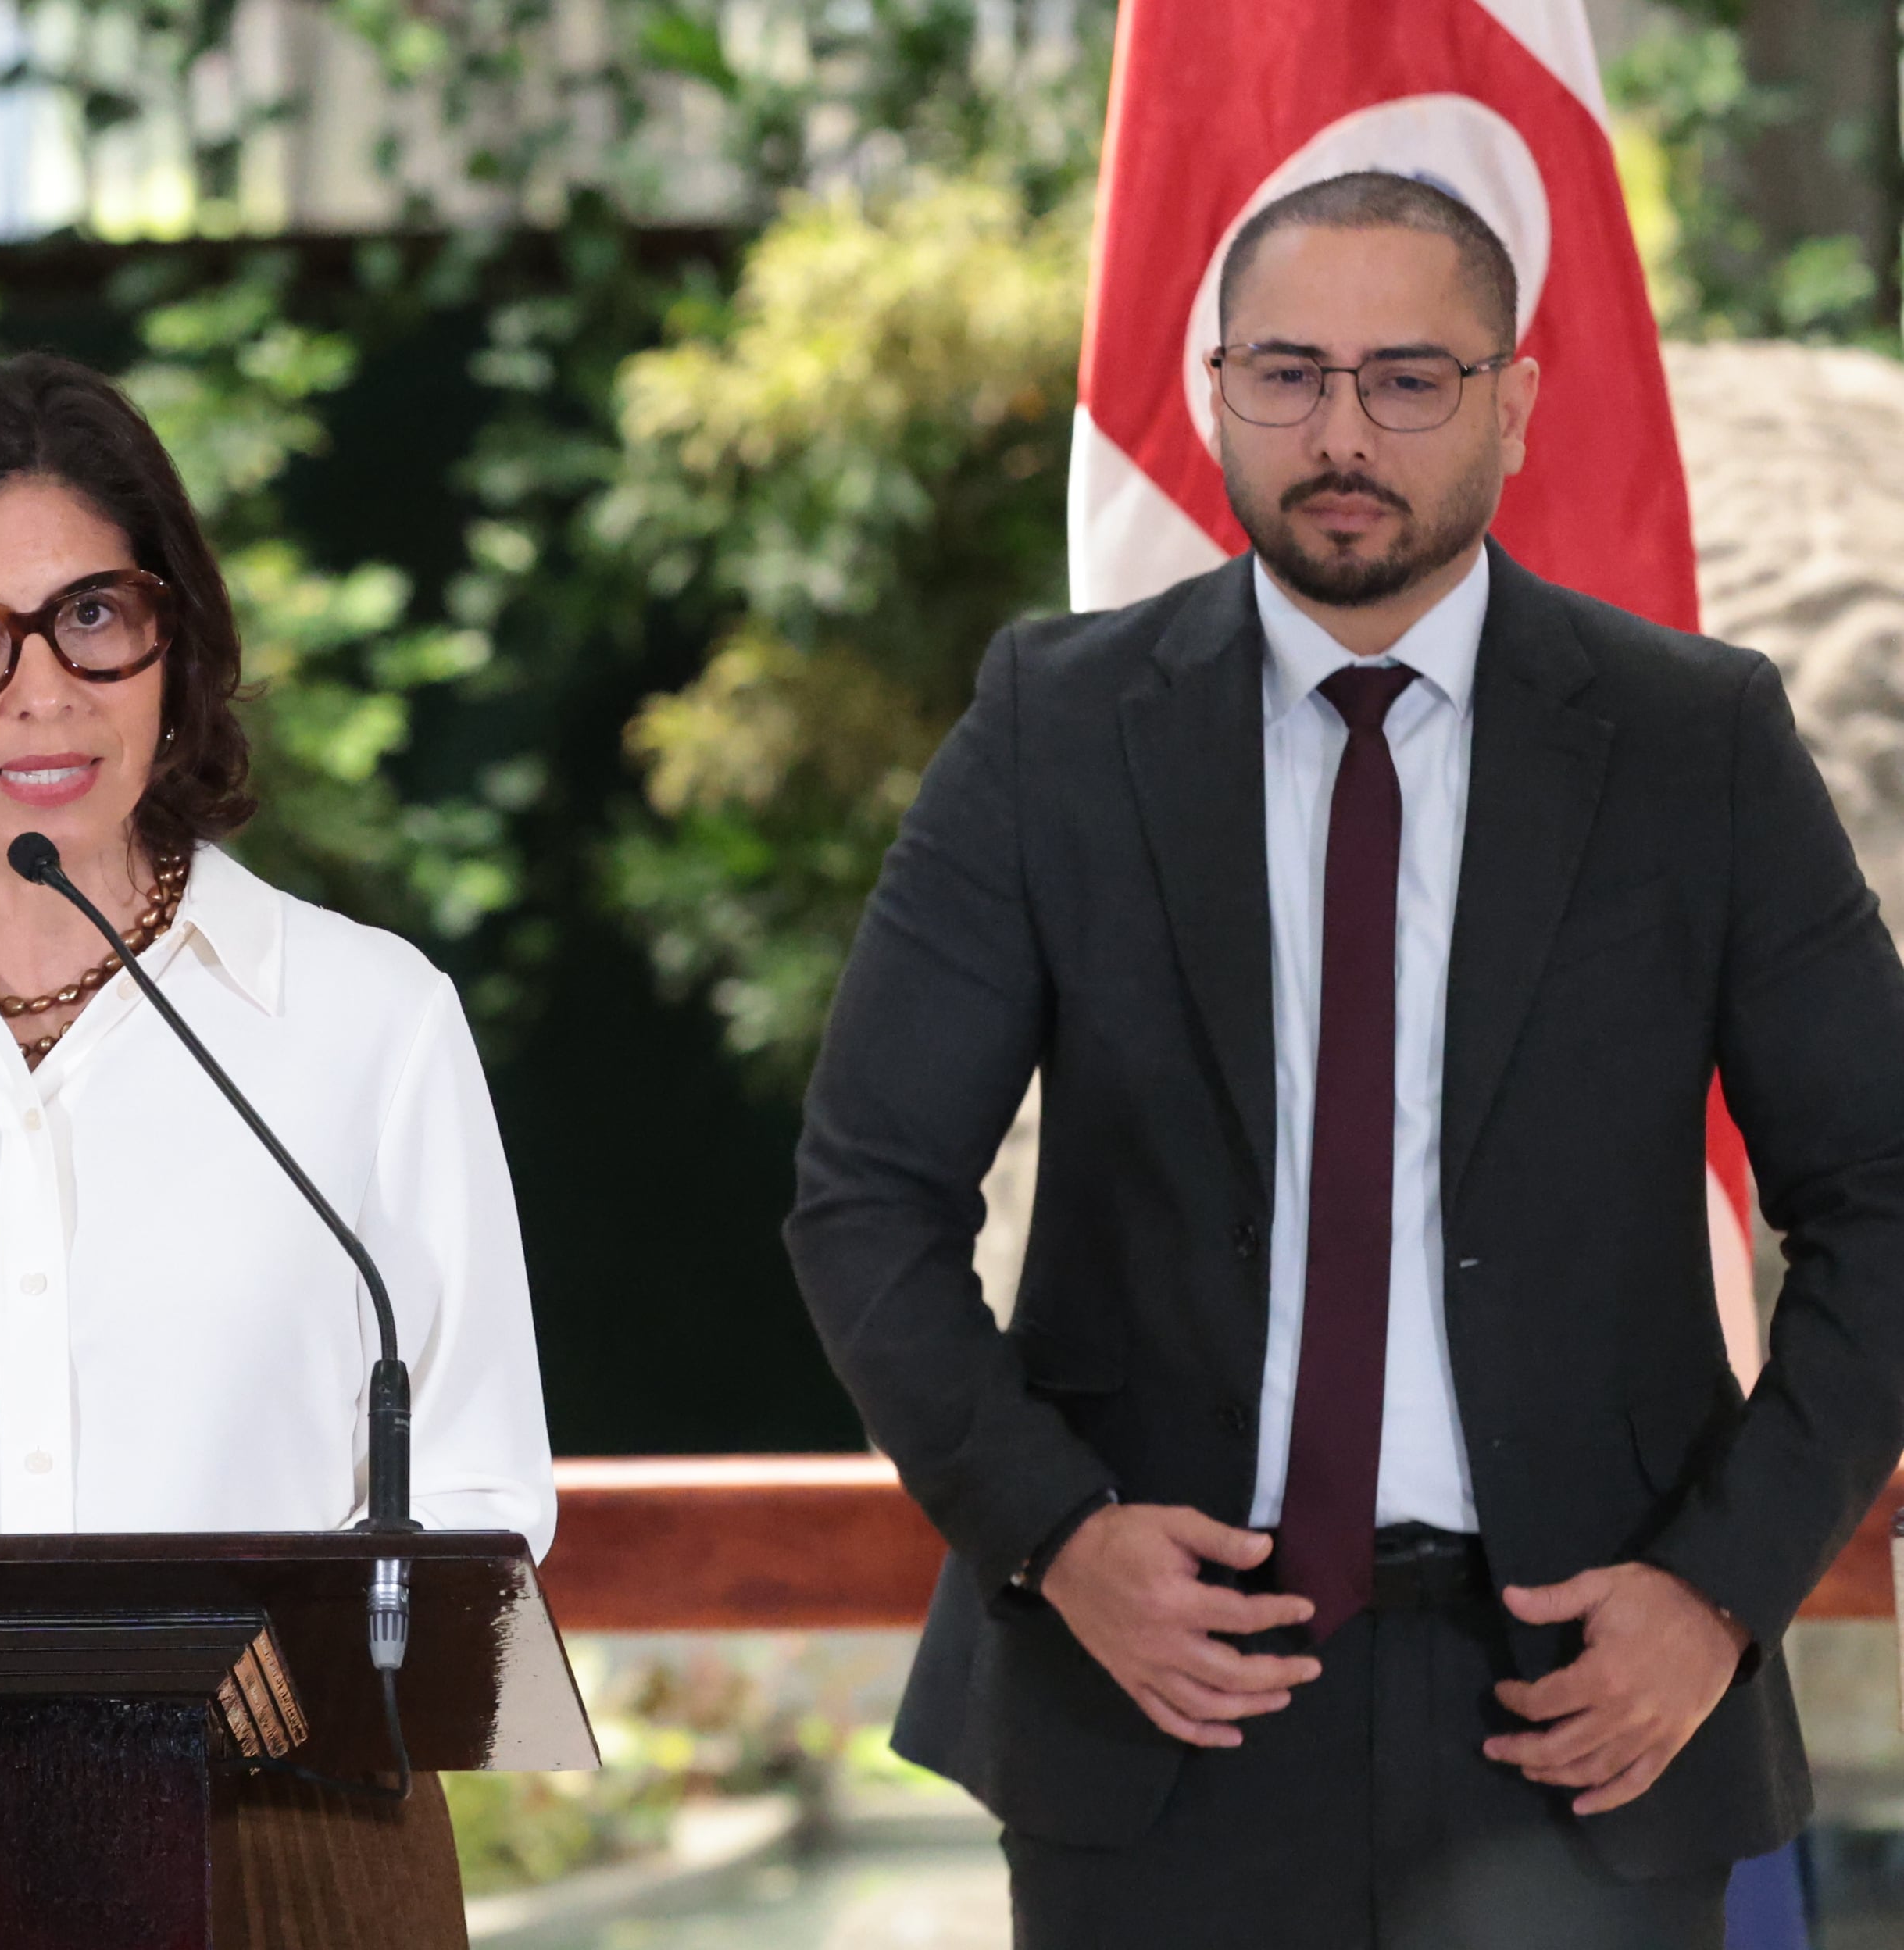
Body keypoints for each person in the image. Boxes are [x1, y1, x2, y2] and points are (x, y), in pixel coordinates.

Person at [788, 170, 1904, 1948]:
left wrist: (1719, 1592)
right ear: (1216, 389)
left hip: (1583, 1721)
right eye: (1289, 374)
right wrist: (1058, 1538)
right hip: (1156, 1702)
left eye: (1408, 378)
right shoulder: (1050, 732)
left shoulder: (1700, 744)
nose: (1343, 432)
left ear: (1514, 404)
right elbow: (864, 1203)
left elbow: (1884, 1203)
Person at [0, 351, 554, 1948]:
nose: (43, 692)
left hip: (292, 1840)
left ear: (172, 645)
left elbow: (484, 1490)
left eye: (93, 615)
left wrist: (291, 1672)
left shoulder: (368, 1022)